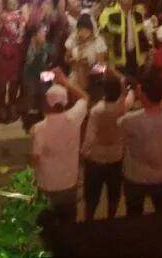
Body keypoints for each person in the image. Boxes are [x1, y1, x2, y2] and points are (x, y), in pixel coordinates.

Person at [30, 67, 89, 225]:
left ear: (47, 103)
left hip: (47, 185)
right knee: (68, 224)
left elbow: (35, 159)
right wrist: (65, 81)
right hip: (69, 183)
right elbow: (84, 97)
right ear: (66, 102)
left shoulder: (39, 129)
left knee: (46, 225)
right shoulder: (74, 118)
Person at [118, 68, 162, 216]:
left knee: (134, 216)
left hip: (135, 177)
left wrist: (124, 94)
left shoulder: (131, 120)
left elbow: (119, 119)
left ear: (142, 92)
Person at [82, 73, 130, 221]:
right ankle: (110, 221)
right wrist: (124, 87)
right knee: (113, 196)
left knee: (92, 197)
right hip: (116, 157)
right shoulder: (123, 107)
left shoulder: (97, 110)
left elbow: (90, 137)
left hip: (96, 158)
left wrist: (84, 153)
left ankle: (89, 222)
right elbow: (128, 94)